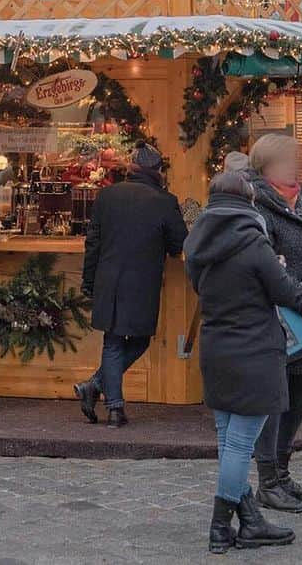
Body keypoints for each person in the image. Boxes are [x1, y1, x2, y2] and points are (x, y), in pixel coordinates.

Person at [186, 170, 302, 554]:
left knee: (227, 439)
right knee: (239, 445)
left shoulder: (197, 243)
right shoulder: (252, 242)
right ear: (247, 202)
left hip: (216, 349)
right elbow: (284, 290)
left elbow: (203, 287)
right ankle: (220, 528)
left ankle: (249, 520)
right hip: (254, 350)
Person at [246, 132, 302, 513]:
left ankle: (282, 472)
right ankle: (267, 480)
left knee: (301, 394)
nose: (293, 166)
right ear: (266, 164)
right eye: (286, 160)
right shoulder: (256, 202)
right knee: (275, 398)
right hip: (279, 312)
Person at [76, 143, 188, 427]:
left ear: (131, 168)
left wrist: (88, 280)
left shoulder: (107, 195)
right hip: (143, 282)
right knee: (138, 340)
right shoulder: (164, 201)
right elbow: (179, 244)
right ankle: (108, 400)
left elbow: (93, 243)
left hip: (108, 278)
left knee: (112, 341)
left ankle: (106, 399)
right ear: (158, 171)